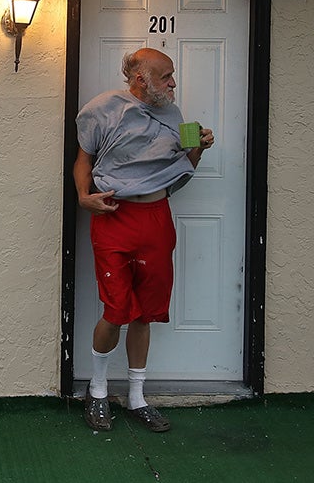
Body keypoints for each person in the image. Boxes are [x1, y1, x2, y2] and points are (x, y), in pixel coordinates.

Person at [74, 48, 214, 433]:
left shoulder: (173, 114)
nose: (173, 83)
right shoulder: (102, 109)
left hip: (155, 218)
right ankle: (97, 390)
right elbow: (83, 160)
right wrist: (84, 196)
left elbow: (183, 167)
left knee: (145, 311)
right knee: (115, 308)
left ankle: (137, 398)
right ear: (141, 80)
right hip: (114, 216)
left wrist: (199, 146)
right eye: (166, 76)